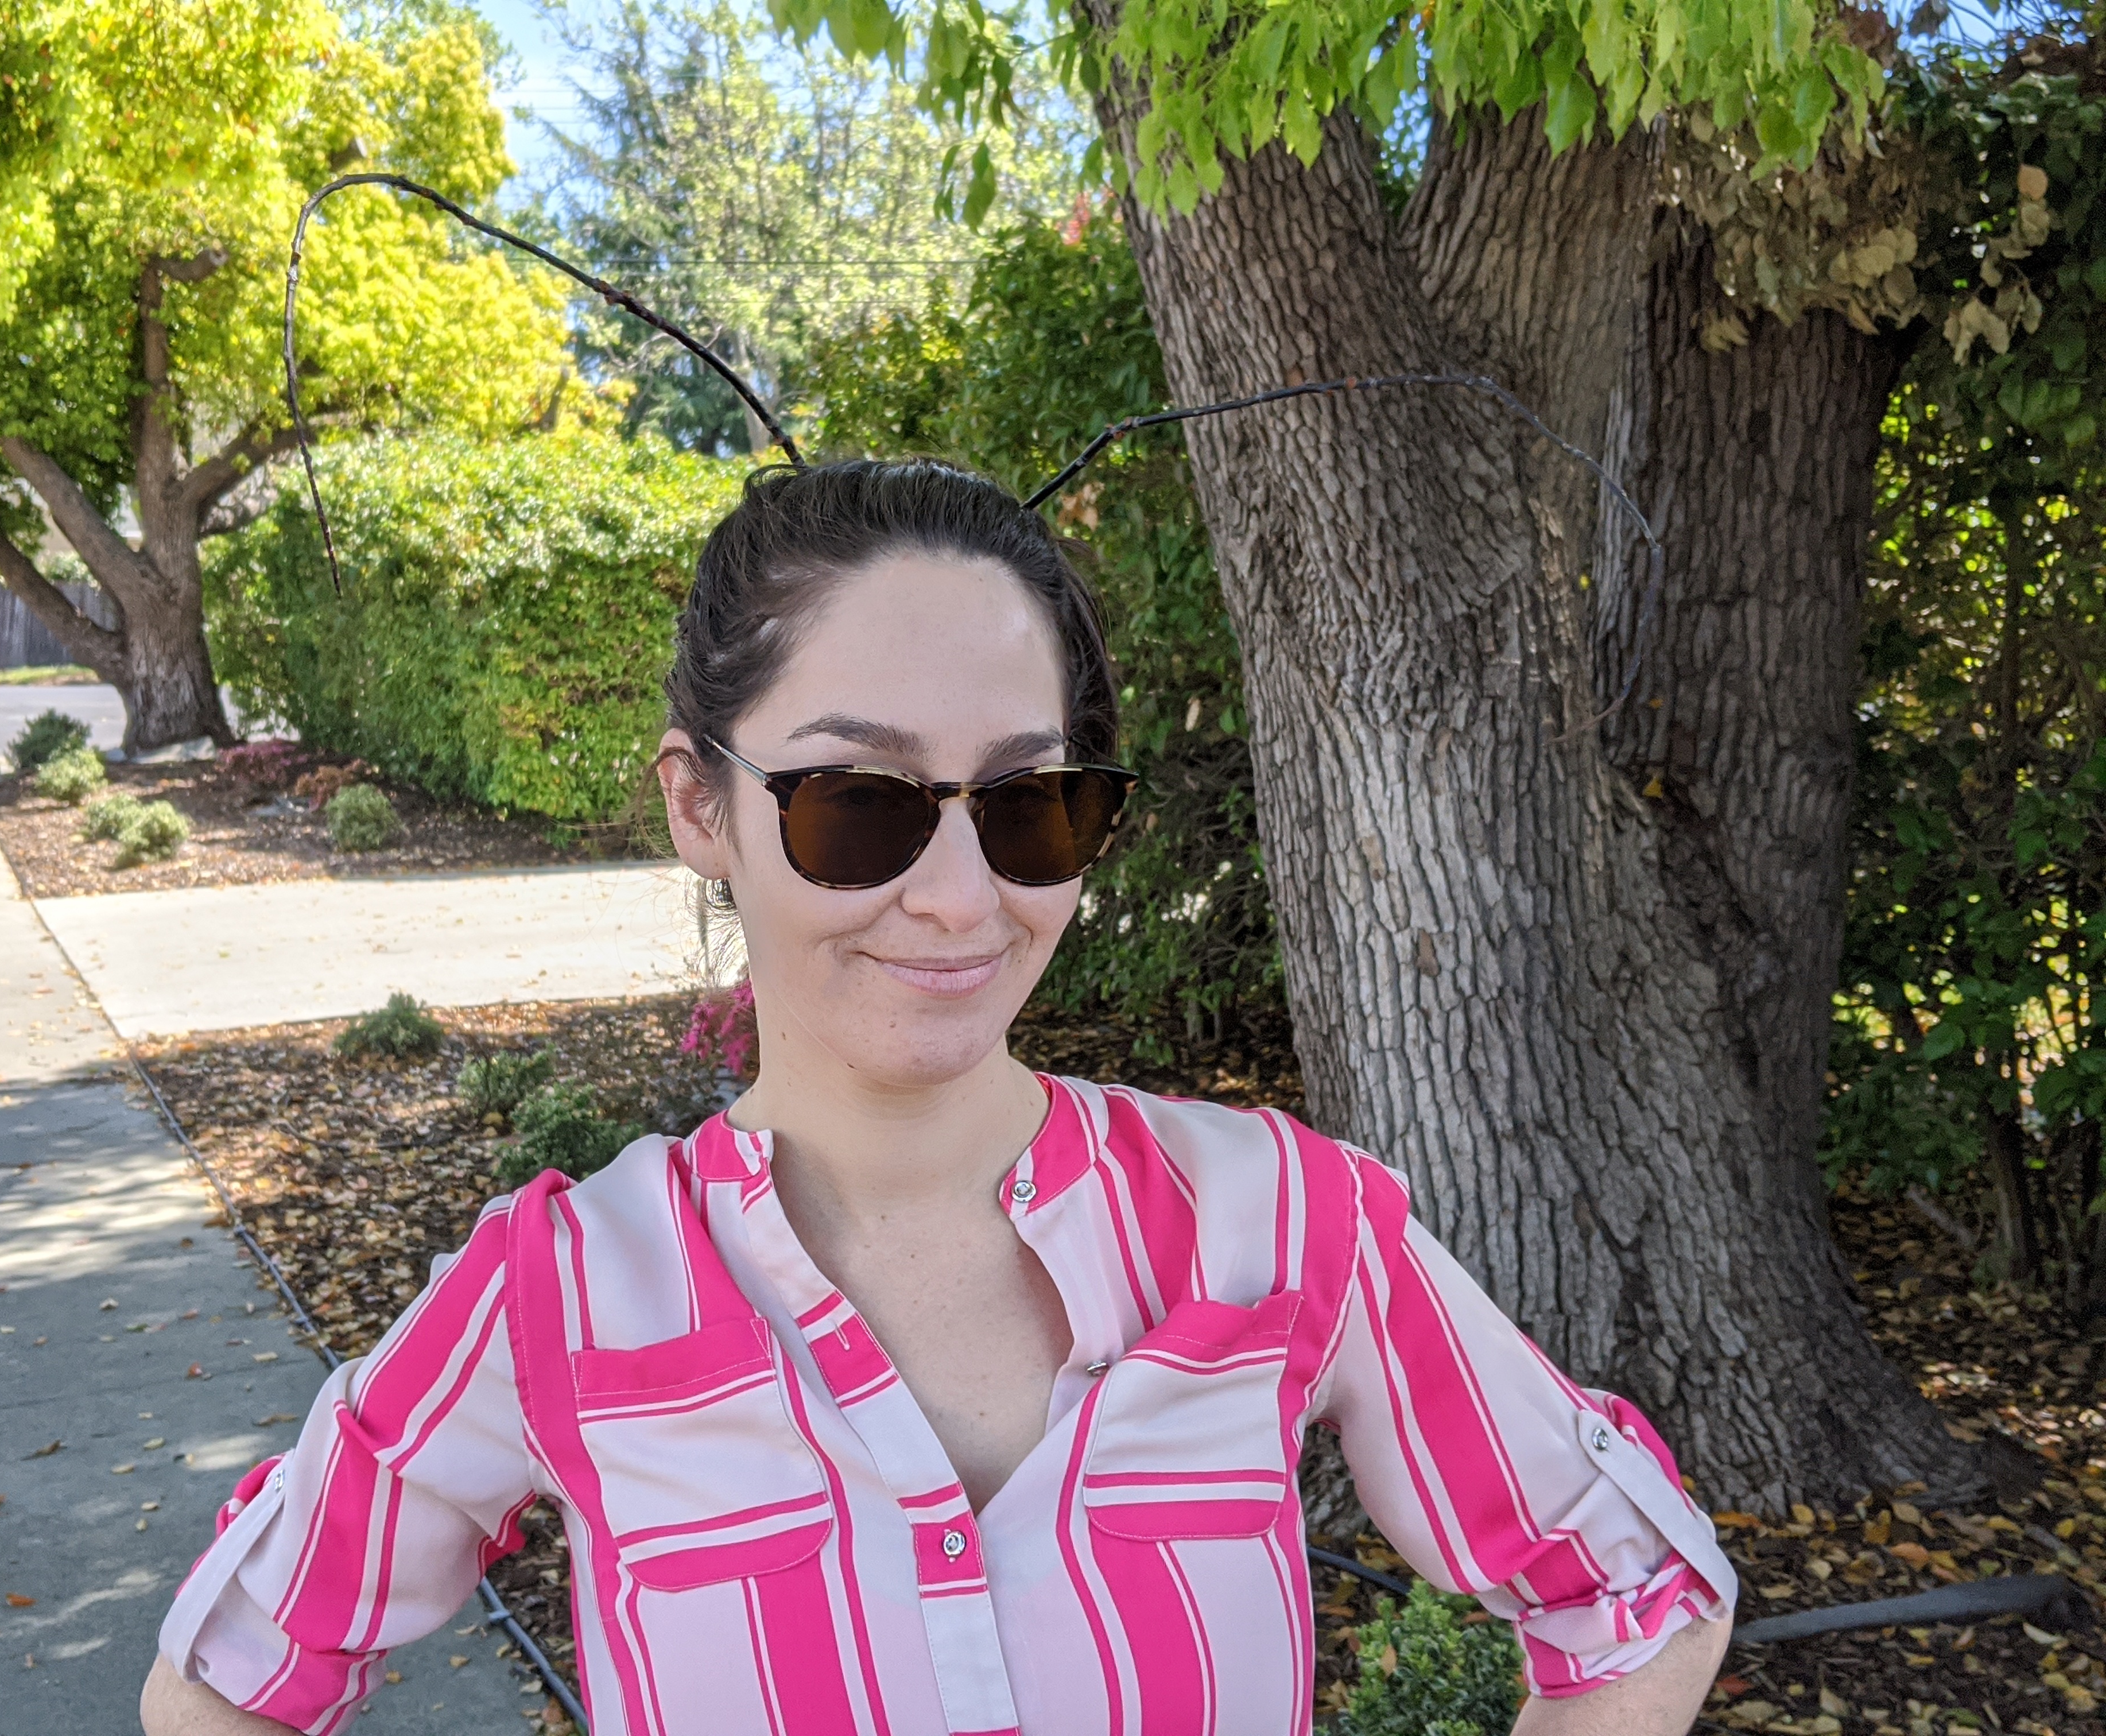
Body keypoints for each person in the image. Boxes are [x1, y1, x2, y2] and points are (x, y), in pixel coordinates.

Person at [139, 459, 1735, 1736]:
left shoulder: (1279, 1223)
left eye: (1033, 802)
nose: (966, 900)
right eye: (860, 803)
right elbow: (230, 1680)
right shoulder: (556, 1298)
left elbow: (1643, 1597)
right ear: (703, 804)